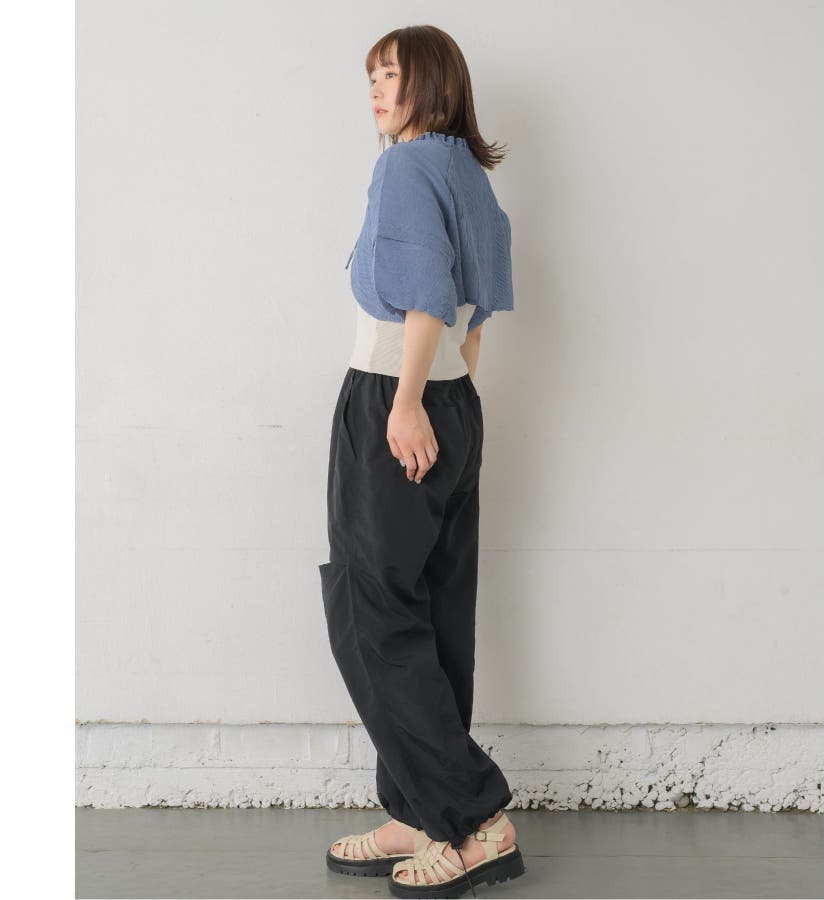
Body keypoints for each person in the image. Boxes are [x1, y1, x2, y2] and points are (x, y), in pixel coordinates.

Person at [319, 25, 525, 899]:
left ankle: (473, 818)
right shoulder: (467, 172)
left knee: (371, 611)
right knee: (436, 613)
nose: (375, 90)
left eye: (390, 74)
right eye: (371, 76)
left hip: (393, 399)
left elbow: (428, 296)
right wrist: (444, 394)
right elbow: (479, 307)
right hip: (455, 402)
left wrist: (404, 403)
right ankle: (418, 807)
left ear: (430, 83)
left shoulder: (406, 167)